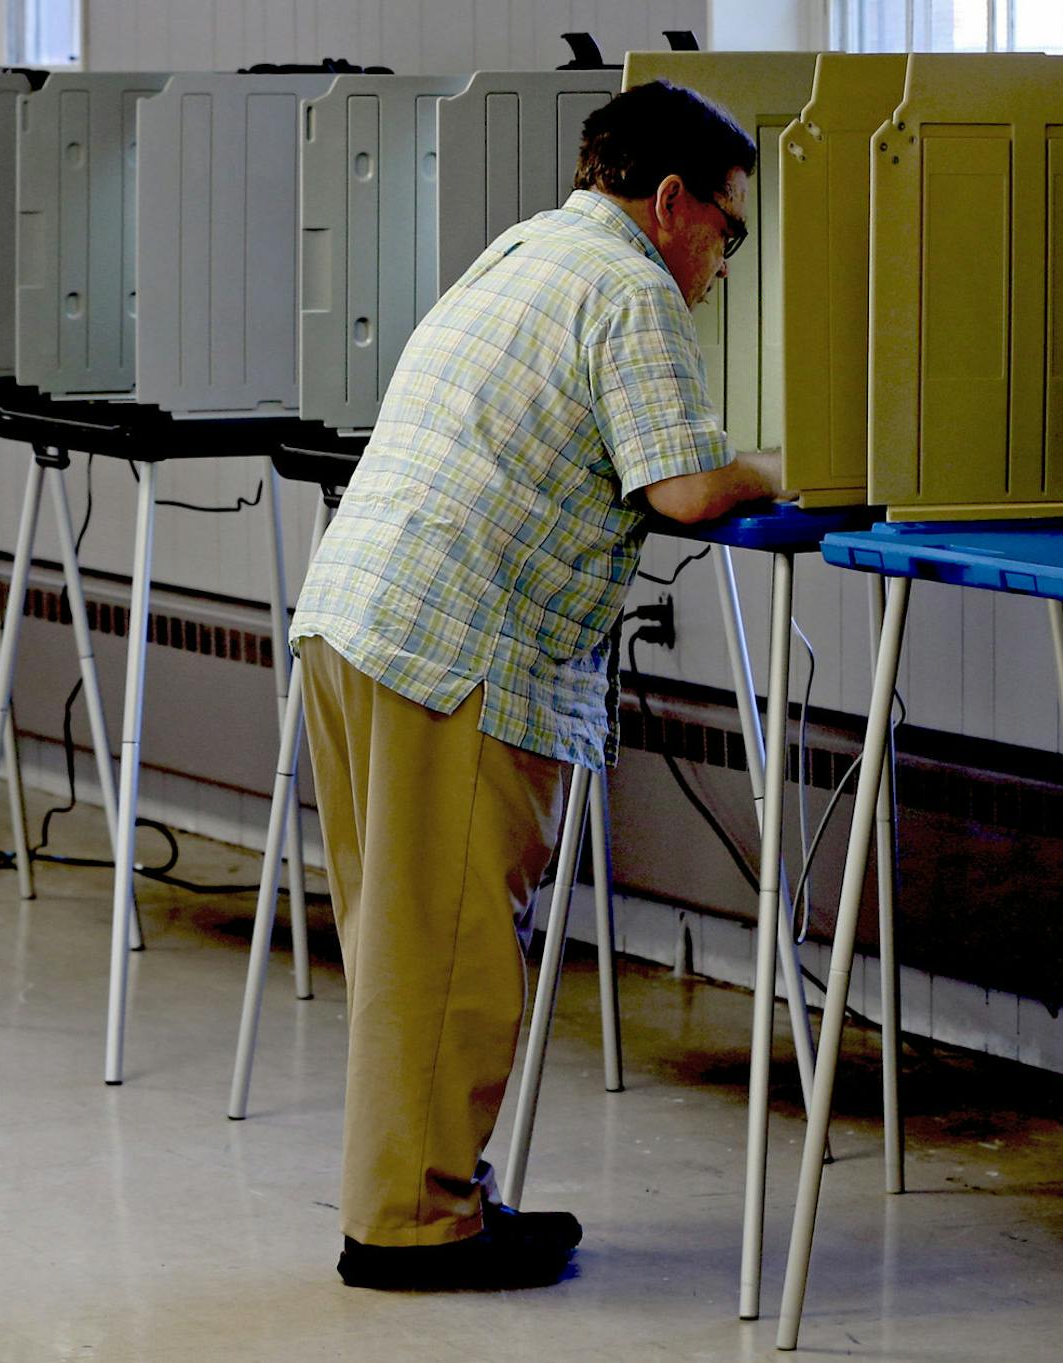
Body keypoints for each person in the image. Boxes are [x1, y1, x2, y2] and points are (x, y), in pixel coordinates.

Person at [287, 79, 783, 1291]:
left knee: (404, 944)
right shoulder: (629, 286)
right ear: (669, 201)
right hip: (454, 653)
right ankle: (414, 1228)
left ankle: (424, 1197)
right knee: (453, 953)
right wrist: (792, 462)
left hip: (360, 619)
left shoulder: (525, 248)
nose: (722, 257)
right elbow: (682, 488)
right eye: (727, 225)